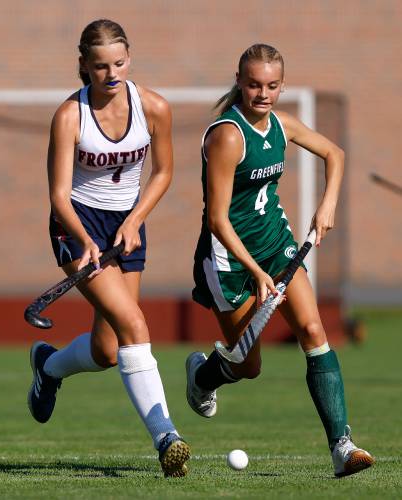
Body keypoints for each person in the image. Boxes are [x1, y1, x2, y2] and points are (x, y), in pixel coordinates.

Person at [186, 44, 374, 478]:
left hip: (276, 246)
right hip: (229, 261)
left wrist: (326, 205)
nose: (262, 94)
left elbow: (336, 155)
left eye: (271, 86)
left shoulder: (283, 126)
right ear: (239, 81)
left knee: (312, 329)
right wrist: (255, 273)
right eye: (254, 84)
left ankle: (342, 448)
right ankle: (202, 377)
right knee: (246, 365)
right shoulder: (226, 136)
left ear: (282, 86)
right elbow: (217, 219)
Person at [27, 19, 190, 478]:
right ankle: (167, 437)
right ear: (84, 66)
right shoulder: (69, 116)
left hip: (127, 225)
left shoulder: (154, 107)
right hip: (77, 226)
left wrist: (137, 219)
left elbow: (163, 173)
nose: (111, 74)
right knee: (135, 323)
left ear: (129, 58)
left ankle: (49, 366)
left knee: (107, 349)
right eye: (100, 66)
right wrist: (84, 241)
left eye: (118, 63)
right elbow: (59, 194)